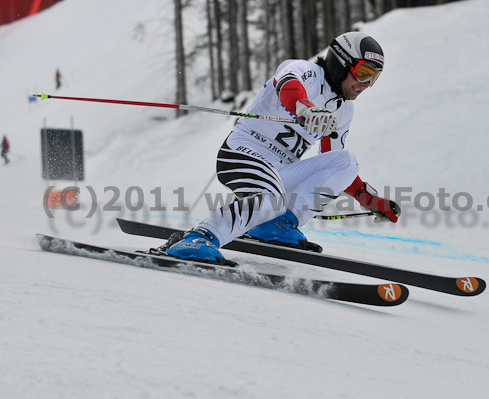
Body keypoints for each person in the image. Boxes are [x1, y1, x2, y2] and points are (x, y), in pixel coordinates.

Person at [163, 32, 401, 264]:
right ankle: (198, 238)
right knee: (271, 198)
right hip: (242, 152)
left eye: (374, 78)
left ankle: (275, 225)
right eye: (363, 73)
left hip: (280, 171)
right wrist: (305, 107)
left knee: (346, 161)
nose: (366, 84)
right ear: (341, 63)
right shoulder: (304, 71)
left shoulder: (344, 110)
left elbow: (331, 165)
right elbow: (287, 84)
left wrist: (368, 198)